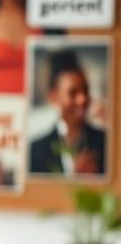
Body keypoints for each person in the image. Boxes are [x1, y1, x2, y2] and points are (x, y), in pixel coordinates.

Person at [29, 48, 106, 177]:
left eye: (85, 90)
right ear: (53, 97)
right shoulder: (36, 150)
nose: (82, 99)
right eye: (72, 93)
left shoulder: (105, 141)